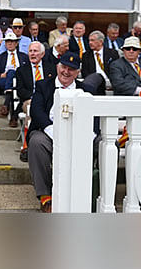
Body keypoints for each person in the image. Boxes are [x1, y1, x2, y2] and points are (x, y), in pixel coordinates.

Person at [26, 52, 97, 213]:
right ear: (58, 67)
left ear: (78, 72)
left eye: (71, 69)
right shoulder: (43, 85)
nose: (66, 72)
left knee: (102, 143)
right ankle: (45, 196)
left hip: (78, 135)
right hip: (49, 132)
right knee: (36, 142)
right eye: (63, 67)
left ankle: (91, 192)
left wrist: (90, 134)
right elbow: (36, 111)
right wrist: (51, 130)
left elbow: (95, 116)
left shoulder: (87, 90)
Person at [15, 41, 56, 161]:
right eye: (30, 51)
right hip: (29, 100)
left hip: (49, 101)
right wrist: (37, 96)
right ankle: (27, 145)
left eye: (35, 51)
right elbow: (20, 91)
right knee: (32, 107)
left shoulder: (51, 68)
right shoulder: (21, 70)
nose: (32, 54)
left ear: (42, 54)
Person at [0, 31, 29, 126]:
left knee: (13, 87)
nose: (10, 43)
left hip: (20, 81)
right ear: (5, 43)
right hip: (5, 81)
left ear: (16, 43)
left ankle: (6, 105)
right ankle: (14, 118)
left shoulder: (24, 57)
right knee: (11, 73)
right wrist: (1, 75)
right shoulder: (0, 57)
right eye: (8, 41)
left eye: (12, 41)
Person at [81, 30, 120, 95]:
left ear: (101, 41)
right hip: (95, 84)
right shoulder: (86, 55)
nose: (90, 43)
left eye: (92, 40)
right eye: (89, 40)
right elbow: (85, 73)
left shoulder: (112, 53)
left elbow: (117, 71)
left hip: (111, 82)